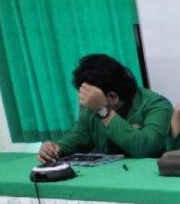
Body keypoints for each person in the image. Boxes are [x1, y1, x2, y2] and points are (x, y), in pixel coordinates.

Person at [37, 54, 172, 162]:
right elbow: (79, 137)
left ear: (113, 97)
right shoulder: (91, 107)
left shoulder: (158, 105)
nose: (84, 102)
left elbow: (144, 148)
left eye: (89, 95)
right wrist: (56, 148)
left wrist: (103, 111)